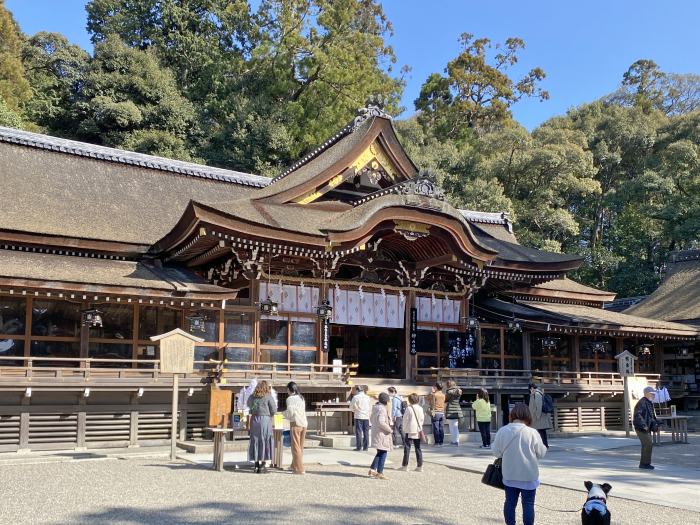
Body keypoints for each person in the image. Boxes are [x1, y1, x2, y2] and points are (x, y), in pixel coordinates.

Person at [493, 403, 547, 525]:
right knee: (528, 504)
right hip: (528, 475)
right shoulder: (532, 432)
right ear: (528, 416)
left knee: (510, 503)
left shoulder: (503, 431)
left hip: (509, 474)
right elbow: (541, 453)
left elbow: (496, 452)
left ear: (512, 415)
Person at [247, 379, 277, 474]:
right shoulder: (268, 396)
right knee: (265, 440)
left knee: (255, 440)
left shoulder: (252, 397)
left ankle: (256, 464)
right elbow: (274, 409)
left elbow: (249, 405)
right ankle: (262, 465)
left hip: (255, 419)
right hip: (265, 420)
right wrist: (269, 414)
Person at [283, 381, 308, 475]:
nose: (287, 391)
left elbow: (290, 413)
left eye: (287, 389)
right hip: (304, 423)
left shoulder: (290, 399)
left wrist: (283, 414)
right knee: (300, 446)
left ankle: (299, 469)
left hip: (295, 423)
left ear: (290, 389)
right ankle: (294, 465)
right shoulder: (301, 397)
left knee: (295, 447)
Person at [633, 386, 660, 470]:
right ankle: (644, 464)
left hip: (646, 427)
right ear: (647, 394)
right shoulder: (642, 402)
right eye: (652, 394)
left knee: (647, 445)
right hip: (641, 428)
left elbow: (652, 417)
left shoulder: (648, 402)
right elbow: (638, 415)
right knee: (647, 444)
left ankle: (645, 463)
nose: (654, 395)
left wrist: (656, 425)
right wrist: (644, 426)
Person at [368, 392, 393, 480]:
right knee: (383, 452)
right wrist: (389, 429)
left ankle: (372, 469)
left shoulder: (375, 408)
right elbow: (381, 422)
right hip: (381, 433)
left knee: (380, 452)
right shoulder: (382, 409)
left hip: (376, 431)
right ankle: (380, 472)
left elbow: (371, 419)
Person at [399, 393, 425, 472]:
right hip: (417, 429)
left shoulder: (409, 408)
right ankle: (420, 466)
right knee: (418, 448)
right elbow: (422, 419)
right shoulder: (420, 408)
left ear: (410, 400)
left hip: (410, 430)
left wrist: (404, 428)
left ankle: (405, 465)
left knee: (407, 448)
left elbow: (405, 420)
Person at [528, 383, 552, 448]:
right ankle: (544, 445)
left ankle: (544, 445)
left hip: (539, 416)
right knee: (541, 431)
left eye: (530, 389)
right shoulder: (536, 394)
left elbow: (538, 406)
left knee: (541, 432)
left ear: (532, 388)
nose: (530, 390)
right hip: (540, 416)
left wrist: (537, 416)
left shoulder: (537, 394)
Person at [350, 385, 371, 451]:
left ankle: (359, 447)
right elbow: (370, 407)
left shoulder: (355, 397)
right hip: (366, 416)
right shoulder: (368, 397)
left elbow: (351, 407)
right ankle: (366, 447)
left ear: (357, 390)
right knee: (366, 432)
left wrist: (355, 411)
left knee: (358, 432)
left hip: (358, 416)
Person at [445, 380, 463, 446]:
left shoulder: (449, 392)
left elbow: (446, 400)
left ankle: (453, 441)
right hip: (457, 410)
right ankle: (457, 441)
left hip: (451, 410)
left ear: (449, 385)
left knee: (452, 427)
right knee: (455, 427)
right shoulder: (459, 391)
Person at [428, 382, 445, 446]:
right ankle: (441, 442)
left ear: (436, 387)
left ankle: (437, 442)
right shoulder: (443, 395)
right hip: (442, 412)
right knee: (441, 428)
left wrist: (432, 392)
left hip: (436, 412)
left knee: (436, 428)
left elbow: (429, 400)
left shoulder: (434, 395)